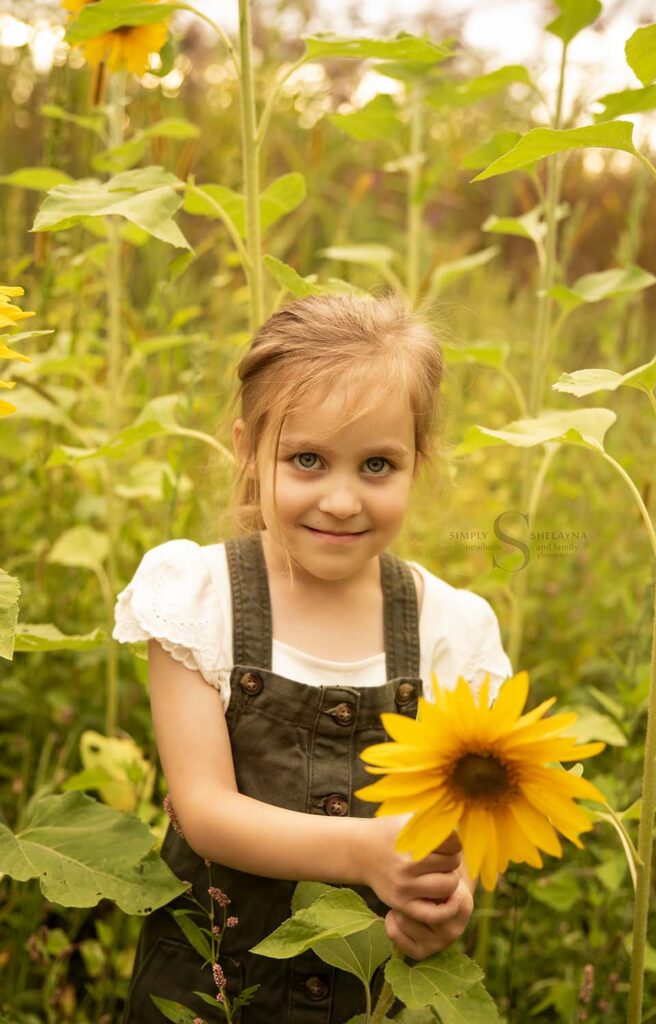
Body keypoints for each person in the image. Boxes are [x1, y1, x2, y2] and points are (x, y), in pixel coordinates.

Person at [113, 293, 513, 1023]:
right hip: (211, 989)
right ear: (247, 450)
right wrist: (367, 854)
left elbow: (456, 830)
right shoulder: (200, 600)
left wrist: (445, 903)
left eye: (376, 465)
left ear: (418, 463)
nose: (340, 499)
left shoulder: (450, 630)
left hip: (371, 994)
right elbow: (204, 813)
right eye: (307, 459)